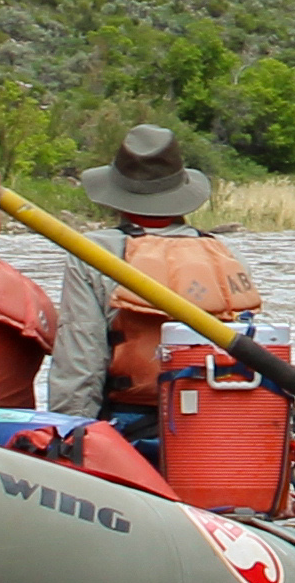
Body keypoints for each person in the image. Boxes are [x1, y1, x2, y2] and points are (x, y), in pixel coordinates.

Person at [37, 121, 267, 438]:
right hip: (219, 427)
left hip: (132, 429)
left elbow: (81, 364)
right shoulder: (225, 254)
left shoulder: (92, 254)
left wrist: (67, 437)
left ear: (116, 192)